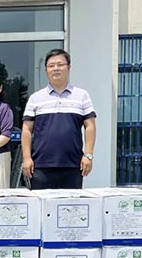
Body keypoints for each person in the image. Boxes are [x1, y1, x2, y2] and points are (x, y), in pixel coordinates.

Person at [21, 48, 96, 189]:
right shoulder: (35, 98)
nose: (56, 68)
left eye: (60, 64)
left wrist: (88, 155)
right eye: (51, 65)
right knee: (41, 203)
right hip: (40, 165)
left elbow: (90, 126)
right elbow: (26, 129)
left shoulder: (82, 96)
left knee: (71, 203)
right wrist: (26, 158)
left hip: (73, 165)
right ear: (46, 70)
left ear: (69, 67)